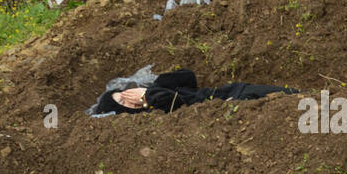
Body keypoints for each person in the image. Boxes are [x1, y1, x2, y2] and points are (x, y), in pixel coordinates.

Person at [96, 68, 298, 115]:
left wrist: (152, 87)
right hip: (231, 111)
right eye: (123, 103)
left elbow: (187, 77)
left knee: (301, 96)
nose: (129, 100)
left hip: (235, 92)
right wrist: (147, 98)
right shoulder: (151, 112)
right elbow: (173, 103)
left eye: (125, 95)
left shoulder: (158, 88)